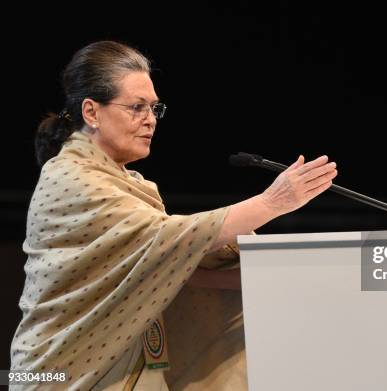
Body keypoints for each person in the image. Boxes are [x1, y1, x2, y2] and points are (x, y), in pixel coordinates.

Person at [10, 40, 337, 390]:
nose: (150, 120)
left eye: (154, 108)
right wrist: (272, 202)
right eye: (137, 107)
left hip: (130, 368)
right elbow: (172, 239)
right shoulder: (70, 179)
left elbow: (175, 265)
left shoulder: (130, 184)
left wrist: (270, 279)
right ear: (91, 112)